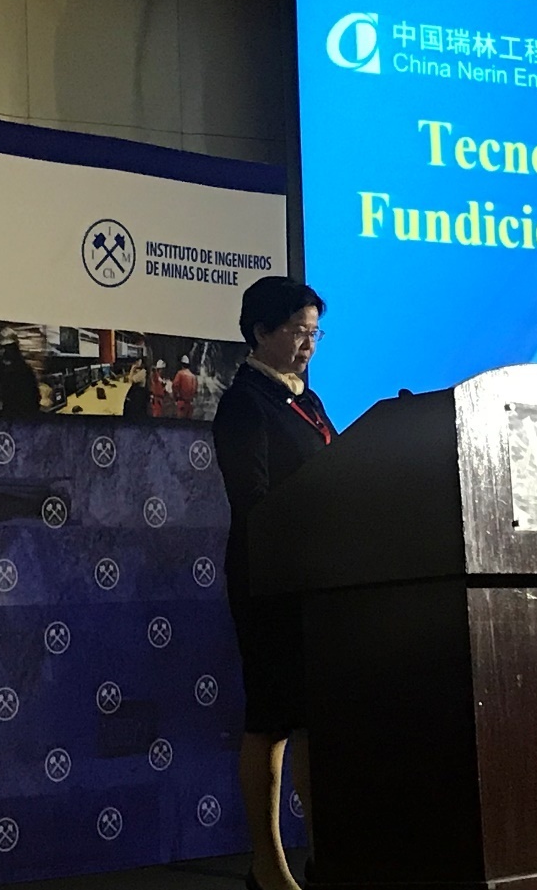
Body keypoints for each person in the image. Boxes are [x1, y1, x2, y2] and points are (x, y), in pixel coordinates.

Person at [212, 276, 332, 890]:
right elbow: (252, 497)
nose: (308, 343)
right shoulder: (245, 402)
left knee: (313, 717)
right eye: (297, 331)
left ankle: (327, 857)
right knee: (272, 718)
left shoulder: (306, 400)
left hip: (316, 575)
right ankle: (269, 865)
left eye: (315, 332)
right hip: (269, 576)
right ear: (260, 331)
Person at [0, 327, 41, 415]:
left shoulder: (23, 369)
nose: (4, 351)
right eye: (1, 348)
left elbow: (33, 396)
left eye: (8, 348)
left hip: (22, 412)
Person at [172, 353, 198, 419]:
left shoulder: (180, 374)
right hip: (190, 404)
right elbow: (195, 390)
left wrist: (175, 398)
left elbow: (175, 386)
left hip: (181, 403)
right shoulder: (193, 377)